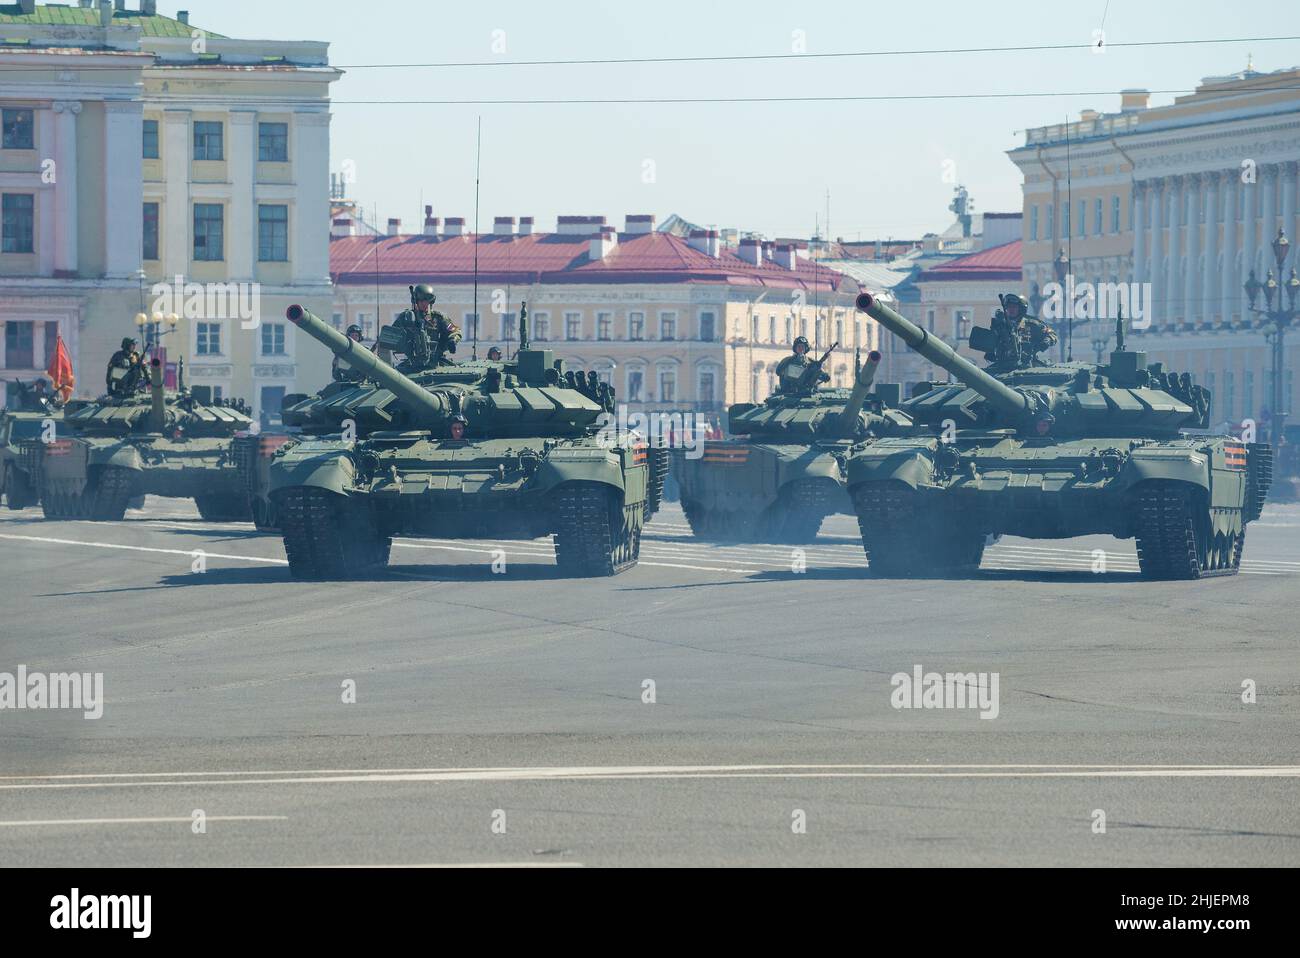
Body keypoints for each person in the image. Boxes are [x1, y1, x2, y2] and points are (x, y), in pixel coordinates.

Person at [391, 284, 461, 371]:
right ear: (416, 302)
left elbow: (455, 330)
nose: (425, 304)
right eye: (422, 301)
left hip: (435, 363)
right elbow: (391, 335)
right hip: (411, 364)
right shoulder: (406, 317)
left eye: (428, 302)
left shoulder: (438, 317)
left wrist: (453, 340)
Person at [986, 294, 1058, 367]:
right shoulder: (1000, 325)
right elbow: (990, 342)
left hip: (1027, 365)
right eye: (1009, 307)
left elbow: (1051, 334)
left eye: (1014, 307)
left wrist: (1047, 341)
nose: (1011, 309)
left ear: (1021, 308)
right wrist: (989, 351)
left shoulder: (1031, 324)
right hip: (1002, 365)